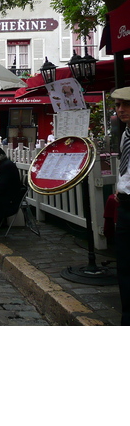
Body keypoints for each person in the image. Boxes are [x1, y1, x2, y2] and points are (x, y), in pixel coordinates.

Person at [112, 87, 130, 325]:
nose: (121, 109)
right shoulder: (126, 134)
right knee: (124, 265)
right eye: (118, 105)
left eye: (127, 104)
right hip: (125, 205)